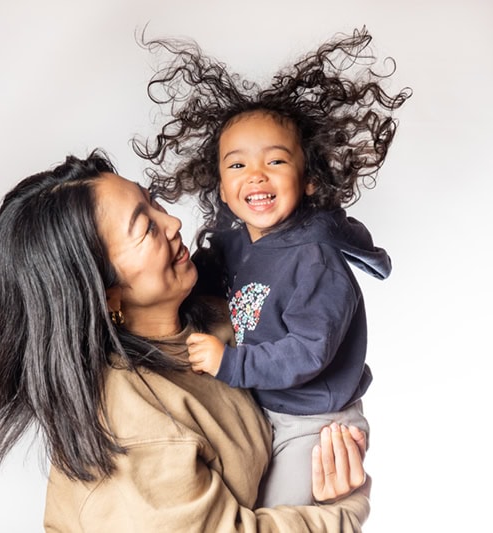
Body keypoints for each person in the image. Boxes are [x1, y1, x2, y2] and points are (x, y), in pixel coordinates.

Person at [0, 151, 371, 532]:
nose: (174, 222)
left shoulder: (218, 319)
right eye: (145, 228)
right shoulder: (136, 426)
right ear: (105, 293)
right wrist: (344, 508)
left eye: (153, 202)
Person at [132, 27, 411, 506]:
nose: (256, 175)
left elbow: (308, 353)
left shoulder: (315, 260)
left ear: (307, 181)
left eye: (276, 161)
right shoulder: (237, 245)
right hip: (265, 408)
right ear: (220, 186)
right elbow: (199, 282)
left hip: (314, 424)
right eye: (237, 166)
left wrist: (229, 363)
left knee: (273, 516)